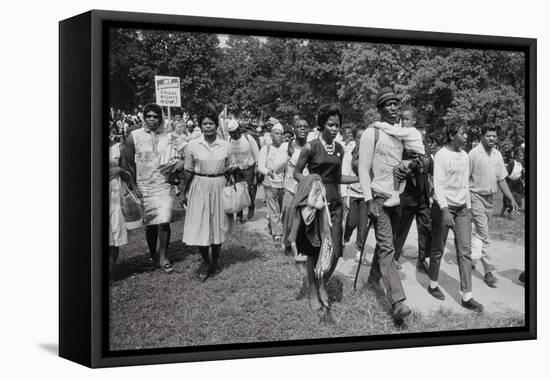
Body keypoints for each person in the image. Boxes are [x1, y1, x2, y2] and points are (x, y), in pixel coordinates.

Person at [293, 104, 359, 312]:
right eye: (330, 124)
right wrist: (310, 184)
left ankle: (322, 283)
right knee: (314, 251)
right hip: (317, 207)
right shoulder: (310, 147)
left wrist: (360, 178)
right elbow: (297, 172)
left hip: (336, 205)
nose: (334, 129)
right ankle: (313, 290)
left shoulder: (339, 149)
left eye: (337, 125)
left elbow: (337, 178)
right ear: (322, 124)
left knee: (336, 251)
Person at [358, 87, 411, 320]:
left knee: (386, 244)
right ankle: (398, 302)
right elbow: (362, 168)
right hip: (378, 196)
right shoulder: (372, 133)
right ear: (380, 110)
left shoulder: (401, 134)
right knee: (388, 247)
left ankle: (372, 279)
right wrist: (369, 200)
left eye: (395, 104)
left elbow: (406, 162)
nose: (393, 108)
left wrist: (407, 168)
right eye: (388, 105)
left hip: (396, 197)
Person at [428, 124, 483, 312]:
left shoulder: (465, 155)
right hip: (443, 208)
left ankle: (467, 296)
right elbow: (438, 184)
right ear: (452, 135)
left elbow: (465, 185)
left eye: (467, 132)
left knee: (465, 252)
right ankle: (433, 284)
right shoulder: (442, 155)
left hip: (462, 210)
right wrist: (444, 209)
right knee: (437, 250)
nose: (466, 136)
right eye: (462, 133)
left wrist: (468, 209)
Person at [121, 103, 174, 273]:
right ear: (144, 118)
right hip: (144, 186)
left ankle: (164, 257)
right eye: (149, 116)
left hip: (163, 184)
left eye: (155, 116)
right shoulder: (133, 137)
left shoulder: (168, 136)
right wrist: (133, 186)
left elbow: (181, 155)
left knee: (164, 221)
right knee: (151, 224)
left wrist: (177, 166)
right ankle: (153, 255)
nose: (152, 119)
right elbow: (128, 164)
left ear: (160, 118)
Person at [180, 109, 231, 281]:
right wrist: (184, 191)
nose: (208, 126)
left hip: (219, 185)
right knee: (200, 225)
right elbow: (188, 170)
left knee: (217, 224)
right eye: (204, 123)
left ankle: (215, 261)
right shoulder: (193, 145)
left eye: (211, 123)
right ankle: (206, 261)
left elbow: (229, 167)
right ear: (200, 126)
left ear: (216, 126)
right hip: (199, 185)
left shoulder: (225, 145)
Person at [469, 125, 518, 288]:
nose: (491, 139)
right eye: (488, 136)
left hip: (490, 199)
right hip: (475, 196)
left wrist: (511, 199)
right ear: (482, 136)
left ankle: (469, 256)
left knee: (478, 231)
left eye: (494, 136)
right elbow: (464, 179)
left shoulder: (497, 155)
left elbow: (501, 180)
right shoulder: (473, 154)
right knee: (484, 234)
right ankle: (488, 271)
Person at [389, 106, 433, 274]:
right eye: (420, 129)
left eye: (423, 129)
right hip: (407, 192)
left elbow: (431, 166)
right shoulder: (403, 144)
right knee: (402, 227)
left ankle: (422, 260)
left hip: (423, 193)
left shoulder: (425, 146)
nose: (421, 132)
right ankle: (394, 257)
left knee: (426, 227)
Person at [373, 106, 426, 207]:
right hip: (414, 158)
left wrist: (377, 124)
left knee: (397, 169)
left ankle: (395, 196)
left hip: (416, 158)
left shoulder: (411, 131)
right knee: (403, 173)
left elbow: (396, 132)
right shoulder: (409, 131)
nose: (404, 122)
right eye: (402, 119)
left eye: (407, 119)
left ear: (414, 121)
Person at [274, 118, 309, 258]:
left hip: (306, 192)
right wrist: (288, 155)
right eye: (298, 126)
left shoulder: (311, 146)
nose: (302, 128)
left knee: (303, 223)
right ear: (293, 130)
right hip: (290, 190)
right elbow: (276, 169)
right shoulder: (285, 147)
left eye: (305, 126)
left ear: (308, 130)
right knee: (288, 223)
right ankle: (287, 243)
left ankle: (301, 251)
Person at [342, 127, 370, 264]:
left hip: (366, 195)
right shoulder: (349, 154)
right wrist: (344, 195)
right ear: (354, 138)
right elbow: (344, 174)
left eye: (364, 137)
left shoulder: (371, 154)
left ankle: (360, 251)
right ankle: (344, 239)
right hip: (352, 193)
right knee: (351, 222)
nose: (362, 140)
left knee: (363, 225)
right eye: (359, 137)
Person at [258, 123, 287, 248]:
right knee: (274, 210)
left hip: (284, 185)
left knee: (283, 210)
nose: (279, 136)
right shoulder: (266, 149)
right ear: (271, 135)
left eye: (281, 133)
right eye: (276, 133)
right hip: (270, 184)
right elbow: (260, 167)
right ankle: (277, 236)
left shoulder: (286, 148)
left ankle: (275, 227)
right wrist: (268, 172)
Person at [227, 119, 260, 222]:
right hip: (236, 169)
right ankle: (239, 213)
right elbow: (230, 155)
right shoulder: (229, 139)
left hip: (248, 168)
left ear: (239, 130)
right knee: (238, 191)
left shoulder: (247, 138)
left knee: (248, 190)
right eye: (231, 133)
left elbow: (256, 153)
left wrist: (257, 168)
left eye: (235, 133)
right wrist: (230, 167)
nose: (233, 135)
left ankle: (251, 205)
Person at [108, 127, 129, 279]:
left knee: (114, 231)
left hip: (114, 194)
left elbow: (129, 174)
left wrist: (121, 170)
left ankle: (110, 273)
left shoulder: (118, 149)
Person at [502, 145, 524, 216]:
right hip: (510, 182)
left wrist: (522, 179)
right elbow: (506, 173)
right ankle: (505, 209)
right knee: (508, 198)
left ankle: (514, 209)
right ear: (517, 156)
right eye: (521, 156)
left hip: (518, 183)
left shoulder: (521, 164)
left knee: (518, 197)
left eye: (522, 156)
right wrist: (509, 179)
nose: (522, 157)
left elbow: (520, 173)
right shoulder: (512, 163)